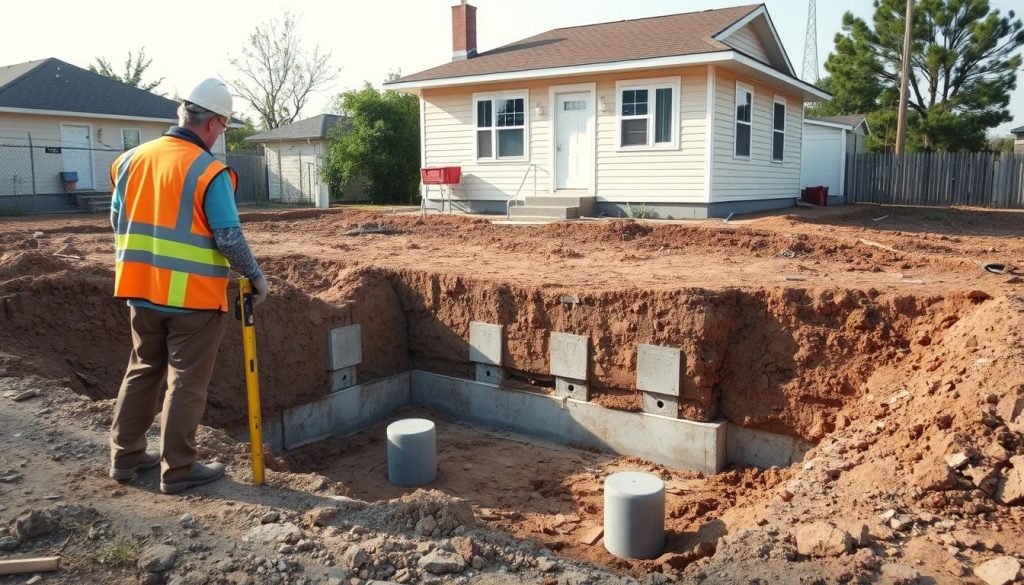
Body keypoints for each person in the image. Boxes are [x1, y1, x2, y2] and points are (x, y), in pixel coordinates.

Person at [108, 78, 269, 495]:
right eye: (223, 128)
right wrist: (255, 275)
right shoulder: (208, 171)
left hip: (139, 288)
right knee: (186, 382)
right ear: (214, 123)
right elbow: (228, 236)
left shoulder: (129, 160)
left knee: (143, 370)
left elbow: (118, 221)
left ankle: (124, 458)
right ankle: (177, 468)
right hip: (192, 299)